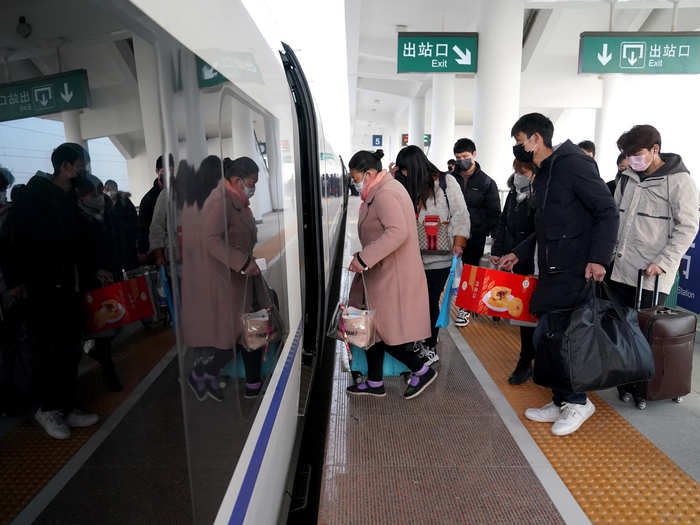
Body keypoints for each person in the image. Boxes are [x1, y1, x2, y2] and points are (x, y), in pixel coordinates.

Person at [498, 113, 618, 436]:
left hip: (575, 269)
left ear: (536, 139)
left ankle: (578, 402)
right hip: (550, 269)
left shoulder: (574, 164)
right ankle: (561, 399)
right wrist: (518, 252)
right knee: (547, 339)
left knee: (563, 339)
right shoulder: (544, 173)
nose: (518, 148)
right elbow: (545, 229)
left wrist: (598, 258)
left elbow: (607, 211)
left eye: (519, 141)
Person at [1, 143, 100, 439]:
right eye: (80, 164)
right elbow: (10, 244)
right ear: (66, 167)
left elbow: (79, 242)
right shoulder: (34, 199)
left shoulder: (68, 198)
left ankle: (66, 405)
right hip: (42, 289)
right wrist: (18, 282)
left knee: (70, 348)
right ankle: (46, 409)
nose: (83, 169)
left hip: (69, 286)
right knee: (48, 350)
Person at [609, 125, 698, 409]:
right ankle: (625, 381)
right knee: (622, 329)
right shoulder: (627, 177)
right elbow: (614, 218)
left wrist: (664, 262)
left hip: (651, 274)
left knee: (644, 333)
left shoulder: (678, 181)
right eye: (628, 155)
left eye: (638, 154)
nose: (633, 159)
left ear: (655, 150)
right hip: (620, 268)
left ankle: (642, 386)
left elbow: (688, 227)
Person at [345, 150, 437, 399]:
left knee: (387, 332)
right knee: (373, 329)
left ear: (369, 174)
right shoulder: (381, 190)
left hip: (391, 275)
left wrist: (365, 258)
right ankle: (375, 383)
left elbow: (397, 232)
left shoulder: (385, 194)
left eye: (356, 178)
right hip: (381, 272)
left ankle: (422, 370)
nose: (355, 183)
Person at [181, 155, 270, 401]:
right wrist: (242, 263)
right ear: (237, 180)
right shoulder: (219, 201)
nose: (254, 188)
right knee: (235, 334)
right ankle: (202, 373)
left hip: (242, 278)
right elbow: (210, 240)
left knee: (251, 329)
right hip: (228, 280)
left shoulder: (236, 200)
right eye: (252, 182)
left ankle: (252, 383)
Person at [394, 145, 469, 366]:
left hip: (439, 257)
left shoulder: (446, 183)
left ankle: (430, 345)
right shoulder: (406, 185)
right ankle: (417, 339)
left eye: (405, 169)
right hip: (412, 257)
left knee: (429, 301)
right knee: (413, 301)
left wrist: (459, 242)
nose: (404, 174)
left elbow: (461, 214)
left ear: (415, 166)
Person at [74, 174, 123, 392]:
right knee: (102, 330)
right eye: (92, 194)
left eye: (98, 192)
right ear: (81, 197)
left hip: (111, 274)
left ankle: (100, 356)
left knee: (114, 326)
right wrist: (95, 273)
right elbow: (80, 254)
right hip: (93, 281)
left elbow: (113, 241)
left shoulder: (105, 213)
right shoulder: (77, 219)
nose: (97, 197)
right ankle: (108, 371)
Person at [490, 159, 537, 385]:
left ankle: (541, 361)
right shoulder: (513, 193)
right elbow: (503, 223)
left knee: (540, 317)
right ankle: (525, 361)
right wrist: (498, 250)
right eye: (516, 170)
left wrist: (519, 252)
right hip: (515, 261)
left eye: (523, 171)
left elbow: (540, 231)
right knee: (525, 317)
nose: (518, 174)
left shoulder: (542, 193)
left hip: (537, 261)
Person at [450, 138, 501, 327]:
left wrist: (495, 237)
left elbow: (494, 213)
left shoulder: (487, 183)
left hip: (475, 236)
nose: (462, 160)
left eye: (465, 156)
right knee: (449, 271)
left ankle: (465, 309)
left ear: (474, 155)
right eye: (458, 157)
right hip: (450, 234)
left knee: (470, 273)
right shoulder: (449, 179)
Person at [139, 154, 173, 255]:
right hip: (157, 252)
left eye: (171, 172)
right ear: (157, 171)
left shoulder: (178, 194)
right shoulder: (148, 200)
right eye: (164, 172)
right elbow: (143, 230)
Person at [104, 179, 139, 273]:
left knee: (131, 270)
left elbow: (134, 221)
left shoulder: (125, 202)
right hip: (115, 247)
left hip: (127, 243)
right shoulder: (105, 204)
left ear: (116, 189)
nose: (108, 191)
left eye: (110, 189)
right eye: (106, 189)